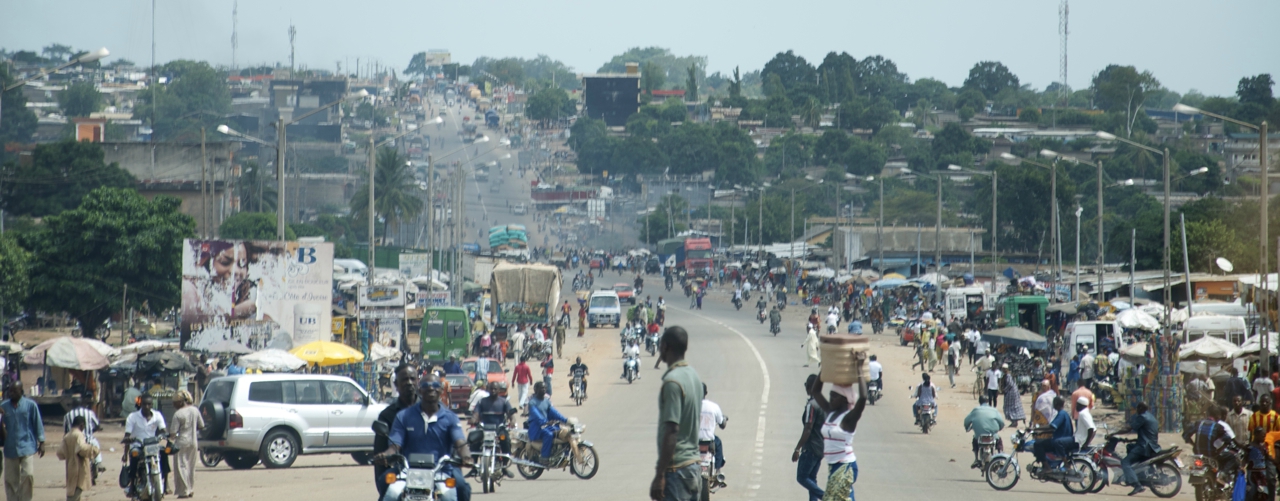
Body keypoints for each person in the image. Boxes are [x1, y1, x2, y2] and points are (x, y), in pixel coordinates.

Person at [375, 375, 472, 501]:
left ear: (441, 390)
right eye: (426, 386)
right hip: (408, 471)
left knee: (456, 492)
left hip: (441, 471)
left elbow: (460, 442)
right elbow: (395, 445)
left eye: (436, 386)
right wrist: (386, 454)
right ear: (420, 390)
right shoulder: (404, 416)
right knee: (390, 492)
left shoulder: (450, 418)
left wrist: (466, 457)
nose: (431, 389)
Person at [650, 326, 704, 501]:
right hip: (694, 467)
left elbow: (672, 430)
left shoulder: (672, 381)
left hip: (676, 470)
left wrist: (660, 475)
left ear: (665, 347)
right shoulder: (694, 376)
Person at [807, 377, 868, 501]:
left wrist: (860, 370)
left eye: (834, 396)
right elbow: (816, 391)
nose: (830, 399)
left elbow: (863, 398)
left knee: (834, 498)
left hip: (845, 465)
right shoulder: (830, 413)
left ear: (844, 399)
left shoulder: (849, 418)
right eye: (830, 395)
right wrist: (824, 370)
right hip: (833, 466)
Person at [374, 365, 418, 499]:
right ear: (396, 385)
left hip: (430, 471)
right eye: (404, 380)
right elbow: (381, 451)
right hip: (401, 471)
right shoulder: (387, 415)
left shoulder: (431, 410)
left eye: (412, 379)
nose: (409, 383)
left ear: (418, 381)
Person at [1, 384, 43, 501]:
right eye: (10, 391)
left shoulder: (31, 405)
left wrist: (42, 441)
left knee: (28, 474)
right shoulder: (3, 407)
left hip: (27, 446)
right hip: (10, 448)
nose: (11, 394)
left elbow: (37, 423)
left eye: (14, 391)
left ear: (21, 391)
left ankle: (25, 498)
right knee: (10, 479)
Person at [123, 393, 168, 497]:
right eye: (144, 404)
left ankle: (166, 483)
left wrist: (164, 435)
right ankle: (132, 485)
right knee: (134, 456)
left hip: (152, 445)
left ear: (152, 405)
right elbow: (127, 436)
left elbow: (163, 430)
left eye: (149, 404)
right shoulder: (132, 417)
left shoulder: (157, 415)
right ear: (140, 404)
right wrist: (125, 453)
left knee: (164, 453)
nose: (147, 407)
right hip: (138, 445)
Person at [469, 382, 515, 478]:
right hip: (484, 428)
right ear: (488, 389)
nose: (493, 391)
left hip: (499, 429)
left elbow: (511, 414)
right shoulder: (482, 401)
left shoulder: (504, 401)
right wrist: (473, 419)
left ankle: (504, 467)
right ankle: (473, 468)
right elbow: (476, 413)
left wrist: (512, 421)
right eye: (491, 389)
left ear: (499, 390)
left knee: (505, 440)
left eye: (495, 389)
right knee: (474, 441)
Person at [792, 375, 826, 501]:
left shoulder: (812, 405)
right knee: (812, 479)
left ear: (810, 387)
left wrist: (797, 449)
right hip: (821, 447)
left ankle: (825, 496)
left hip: (811, 448)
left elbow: (808, 429)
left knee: (802, 477)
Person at [1118, 402, 1162, 496]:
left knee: (1125, 462)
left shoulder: (1142, 417)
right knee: (1129, 447)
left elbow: (1129, 428)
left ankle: (1136, 485)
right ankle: (1138, 474)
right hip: (1153, 446)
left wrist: (1114, 433)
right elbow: (1147, 433)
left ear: (1141, 408)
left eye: (1137, 408)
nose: (1136, 410)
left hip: (1144, 447)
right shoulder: (1151, 416)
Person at [170, 390, 202, 499]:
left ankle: (184, 491)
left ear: (180, 402)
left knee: (181, 466)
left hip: (182, 442)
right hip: (193, 442)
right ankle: (190, 488)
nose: (174, 405)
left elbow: (173, 433)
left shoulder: (178, 414)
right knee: (191, 466)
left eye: (175, 402)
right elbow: (201, 425)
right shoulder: (195, 410)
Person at [57, 416, 97, 501]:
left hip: (70, 467)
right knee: (75, 494)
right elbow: (81, 449)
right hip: (79, 468)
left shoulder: (67, 435)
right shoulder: (79, 434)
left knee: (72, 491)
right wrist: (93, 450)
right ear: (82, 425)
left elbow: (60, 453)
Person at [527, 382, 570, 460]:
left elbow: (554, 413)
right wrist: (546, 422)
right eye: (541, 388)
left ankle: (563, 456)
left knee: (563, 433)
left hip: (546, 426)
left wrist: (566, 420)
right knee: (549, 434)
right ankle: (544, 457)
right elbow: (537, 416)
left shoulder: (547, 401)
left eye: (544, 388)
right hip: (537, 428)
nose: (543, 390)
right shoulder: (532, 403)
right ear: (535, 390)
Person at [62, 395, 101, 478]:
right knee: (96, 446)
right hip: (88, 439)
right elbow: (97, 425)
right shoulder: (89, 413)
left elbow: (66, 431)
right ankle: (98, 463)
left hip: (73, 442)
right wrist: (92, 430)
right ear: (82, 404)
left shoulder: (67, 415)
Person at [963, 397, 1005, 468]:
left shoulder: (975, 410)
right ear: (988, 401)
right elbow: (1002, 422)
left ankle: (976, 459)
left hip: (979, 436)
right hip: (992, 435)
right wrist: (999, 428)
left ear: (979, 402)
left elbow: (966, 421)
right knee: (999, 441)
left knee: (975, 441)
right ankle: (1001, 457)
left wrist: (967, 427)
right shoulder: (994, 410)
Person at [699, 384, 728, 476]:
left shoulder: (689, 406)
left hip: (693, 441)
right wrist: (724, 419)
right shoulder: (713, 406)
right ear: (706, 393)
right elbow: (722, 425)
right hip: (709, 441)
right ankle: (718, 471)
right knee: (718, 443)